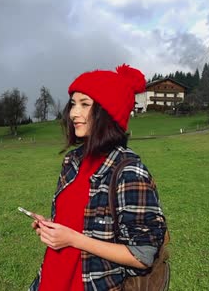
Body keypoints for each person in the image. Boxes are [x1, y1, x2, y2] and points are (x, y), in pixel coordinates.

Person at [29, 64, 167, 291]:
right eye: (73, 104)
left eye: (85, 104)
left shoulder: (129, 171)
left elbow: (142, 255)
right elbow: (77, 222)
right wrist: (52, 228)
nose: (74, 113)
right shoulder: (72, 161)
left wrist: (72, 239)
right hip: (50, 280)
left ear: (107, 112)